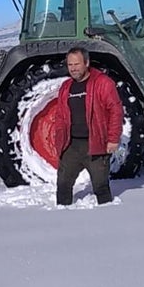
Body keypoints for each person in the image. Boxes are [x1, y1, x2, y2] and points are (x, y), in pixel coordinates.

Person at [51, 46, 124, 206]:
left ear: (87, 63)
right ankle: (60, 220)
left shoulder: (103, 83)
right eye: (70, 65)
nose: (73, 68)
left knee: (100, 186)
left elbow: (116, 111)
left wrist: (113, 139)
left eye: (77, 64)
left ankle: (106, 217)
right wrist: (59, 140)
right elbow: (61, 116)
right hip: (72, 145)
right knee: (63, 185)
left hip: (96, 144)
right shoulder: (66, 87)